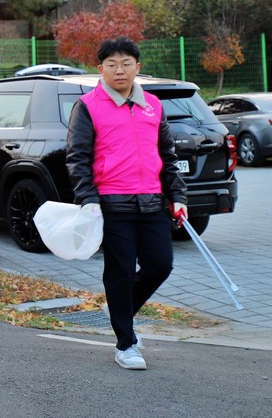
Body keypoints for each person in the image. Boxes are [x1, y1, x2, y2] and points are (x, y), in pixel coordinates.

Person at [65, 37, 188, 370]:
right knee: (119, 272)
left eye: (126, 63)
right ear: (100, 68)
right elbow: (78, 157)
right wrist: (87, 199)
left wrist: (177, 196)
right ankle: (126, 343)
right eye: (111, 64)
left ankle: (120, 310)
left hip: (152, 202)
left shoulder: (152, 105)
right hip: (111, 202)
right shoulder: (88, 106)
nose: (119, 70)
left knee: (160, 265)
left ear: (138, 67)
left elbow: (167, 155)